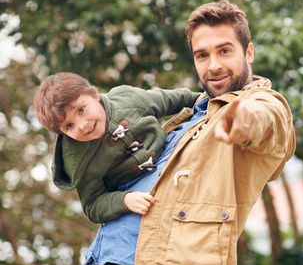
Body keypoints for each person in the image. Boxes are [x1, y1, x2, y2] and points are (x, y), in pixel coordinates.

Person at [60, 0, 296, 265]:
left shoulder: (262, 104)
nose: (213, 65)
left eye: (224, 51)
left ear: (249, 53)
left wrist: (244, 119)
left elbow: (268, 122)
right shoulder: (194, 111)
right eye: (202, 55)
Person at [33, 72, 200, 222]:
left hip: (167, 148)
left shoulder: (126, 99)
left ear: (94, 95)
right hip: (132, 186)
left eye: (81, 110)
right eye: (69, 126)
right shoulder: (79, 162)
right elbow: (93, 205)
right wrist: (124, 201)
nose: (82, 126)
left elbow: (172, 99)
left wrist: (207, 98)